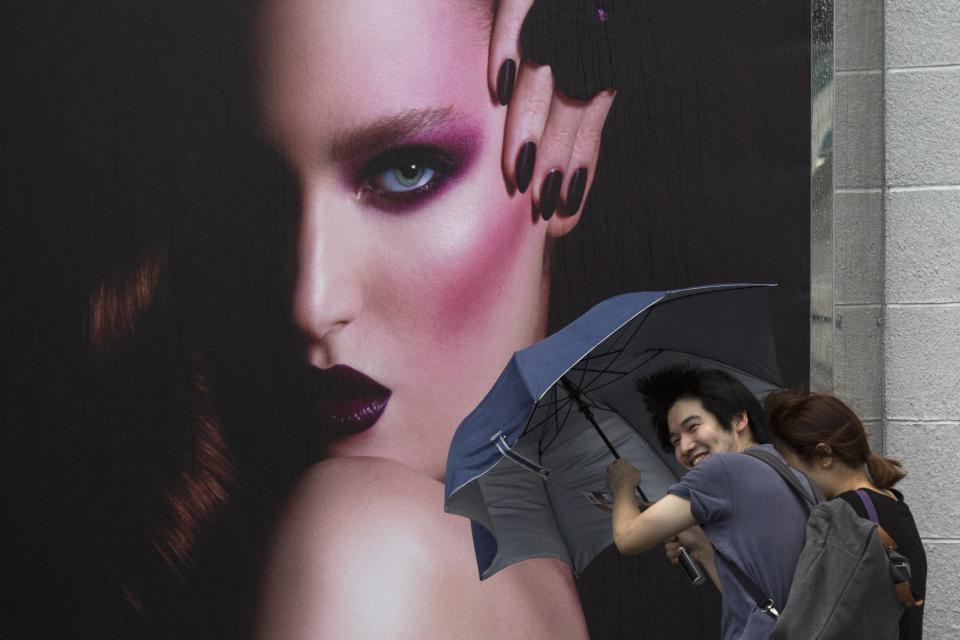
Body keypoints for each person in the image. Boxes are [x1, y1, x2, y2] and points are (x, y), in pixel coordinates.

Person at [250, 0, 614, 637]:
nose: (311, 302)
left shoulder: (366, 552)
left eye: (406, 170)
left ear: (562, 147)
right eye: (271, 192)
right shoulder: (534, 587)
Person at [605, 366, 812, 640]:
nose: (685, 447)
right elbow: (754, 604)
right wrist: (701, 547)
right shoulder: (788, 471)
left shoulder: (723, 470)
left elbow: (627, 538)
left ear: (738, 419)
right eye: (675, 440)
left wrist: (623, 484)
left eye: (693, 427)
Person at [766, 390, 927, 640]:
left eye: (793, 468)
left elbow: (807, 625)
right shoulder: (896, 504)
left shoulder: (840, 516)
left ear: (824, 456)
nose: (793, 480)